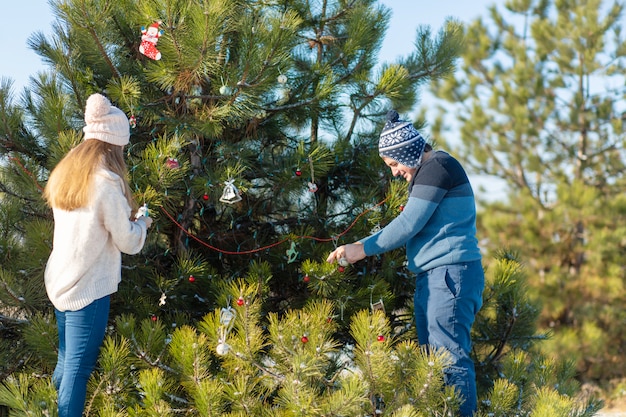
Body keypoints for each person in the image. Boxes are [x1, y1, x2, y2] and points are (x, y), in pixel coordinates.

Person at [327, 110, 484, 416]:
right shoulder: (430, 171)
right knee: (434, 363)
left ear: (408, 152)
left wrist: (361, 248)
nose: (395, 172)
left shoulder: (438, 166)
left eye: (394, 164)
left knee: (449, 360)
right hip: (436, 276)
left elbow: (408, 223)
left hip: (450, 274)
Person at [43, 93, 153, 417]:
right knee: (79, 370)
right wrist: (143, 221)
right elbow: (128, 242)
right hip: (87, 290)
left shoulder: (68, 173)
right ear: (114, 144)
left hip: (61, 280)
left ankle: (46, 409)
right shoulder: (106, 183)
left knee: (66, 363)